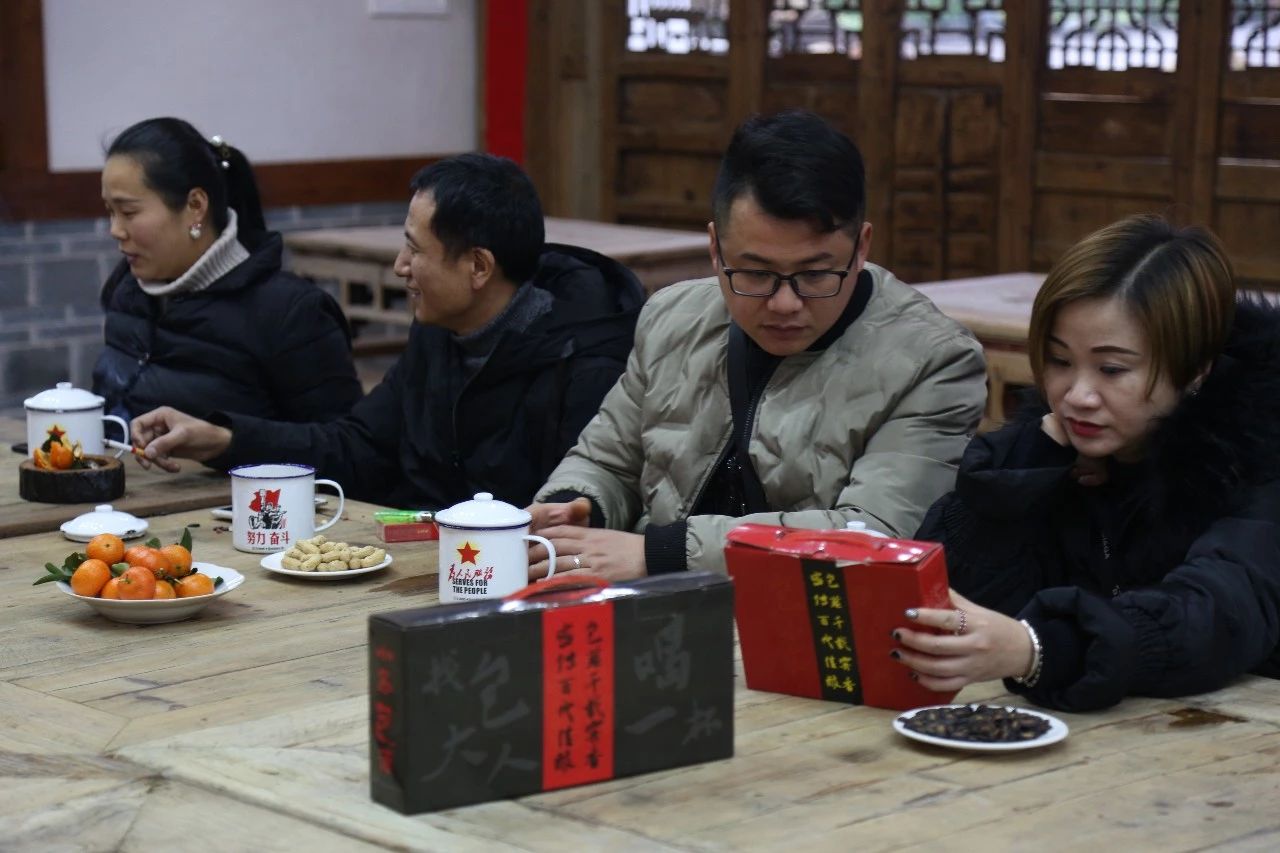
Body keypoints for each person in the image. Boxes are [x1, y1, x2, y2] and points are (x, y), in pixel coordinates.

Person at [526, 110, 988, 579]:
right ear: (715, 247)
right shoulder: (673, 317)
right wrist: (575, 507)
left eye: (815, 274)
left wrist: (660, 553)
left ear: (861, 247)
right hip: (657, 601)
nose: (785, 303)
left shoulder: (933, 360)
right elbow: (607, 460)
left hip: (807, 612)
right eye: (755, 273)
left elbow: (875, 537)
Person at [895, 214, 1280, 712]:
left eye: (1112, 369)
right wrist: (1023, 471)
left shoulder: (1254, 456)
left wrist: (1038, 648)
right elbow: (944, 589)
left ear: (1195, 370)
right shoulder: (1057, 448)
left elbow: (1213, 614)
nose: (1077, 395)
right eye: (1059, 361)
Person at [129, 153, 644, 508]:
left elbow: (570, 512)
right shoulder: (441, 331)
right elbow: (359, 447)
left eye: (414, 250)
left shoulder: (588, 361)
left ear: (478, 267)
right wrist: (223, 439)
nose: (400, 266)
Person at [94, 117, 361, 423]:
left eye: (128, 212)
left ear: (195, 206)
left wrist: (229, 441)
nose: (115, 230)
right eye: (110, 212)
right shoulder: (128, 290)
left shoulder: (292, 314)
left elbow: (343, 442)